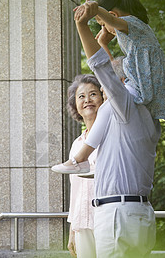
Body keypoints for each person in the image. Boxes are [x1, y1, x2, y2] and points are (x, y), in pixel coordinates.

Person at [71, 0, 160, 257]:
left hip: (118, 216)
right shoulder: (149, 112)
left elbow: (102, 68)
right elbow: (112, 71)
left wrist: (83, 25)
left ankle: (78, 158)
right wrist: (102, 40)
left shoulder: (125, 106)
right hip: (139, 213)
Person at [52, 0, 165, 174]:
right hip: (138, 88)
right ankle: (91, 161)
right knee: (110, 102)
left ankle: (81, 158)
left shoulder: (134, 24)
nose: (104, 29)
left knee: (107, 107)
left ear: (112, 15)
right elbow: (111, 73)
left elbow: (113, 23)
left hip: (140, 89)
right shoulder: (133, 38)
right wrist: (103, 44)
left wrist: (96, 10)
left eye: (102, 24)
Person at [66, 74, 104, 258]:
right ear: (75, 105)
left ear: (103, 98)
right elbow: (76, 190)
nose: (87, 100)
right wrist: (73, 230)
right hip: (82, 225)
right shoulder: (76, 144)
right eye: (81, 96)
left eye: (93, 94)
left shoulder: (112, 135)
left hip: (107, 219)